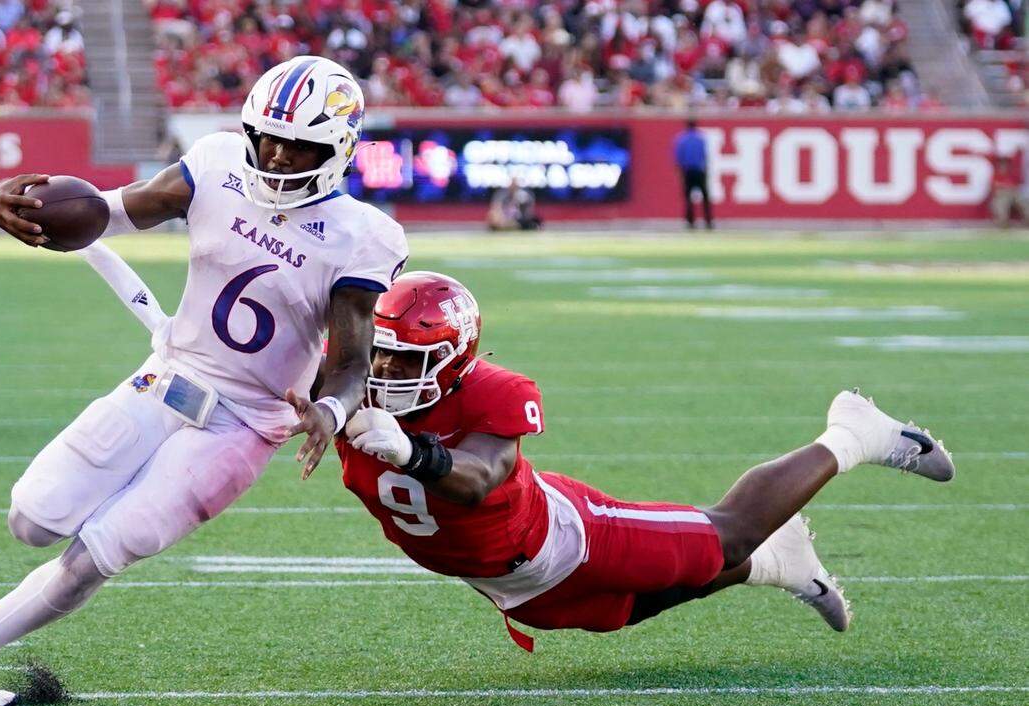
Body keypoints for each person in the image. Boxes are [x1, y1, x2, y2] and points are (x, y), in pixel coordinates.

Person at [0, 55, 409, 706]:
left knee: (106, 547)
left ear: (338, 148)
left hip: (243, 422)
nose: (276, 153)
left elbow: (352, 360)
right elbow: (106, 214)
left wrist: (327, 409)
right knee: (33, 517)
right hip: (167, 378)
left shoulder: (362, 236)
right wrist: (15, 206)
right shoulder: (215, 164)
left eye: (298, 145)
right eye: (266, 136)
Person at [335, 272, 954, 649]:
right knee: (630, 609)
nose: (385, 373)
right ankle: (778, 563)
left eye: (406, 360)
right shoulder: (343, 384)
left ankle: (851, 433)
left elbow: (479, 478)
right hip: (506, 577)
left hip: (566, 536)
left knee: (728, 534)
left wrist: (414, 451)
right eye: (379, 356)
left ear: (456, 359)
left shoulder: (494, 393)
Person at [673, 118, 713, 230]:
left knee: (688, 198)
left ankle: (690, 222)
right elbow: (704, 156)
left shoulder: (681, 139)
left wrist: (680, 171)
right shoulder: (700, 139)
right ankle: (708, 221)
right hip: (699, 170)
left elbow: (678, 157)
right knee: (705, 197)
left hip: (687, 171)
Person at [990, 153, 1026, 227]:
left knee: (1024, 202)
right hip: (1002, 195)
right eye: (1002, 164)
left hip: (1014, 194)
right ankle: (1003, 222)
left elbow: (1017, 186)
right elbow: (995, 187)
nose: (1003, 165)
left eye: (1005, 164)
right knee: (1000, 204)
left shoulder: (1012, 174)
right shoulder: (996, 175)